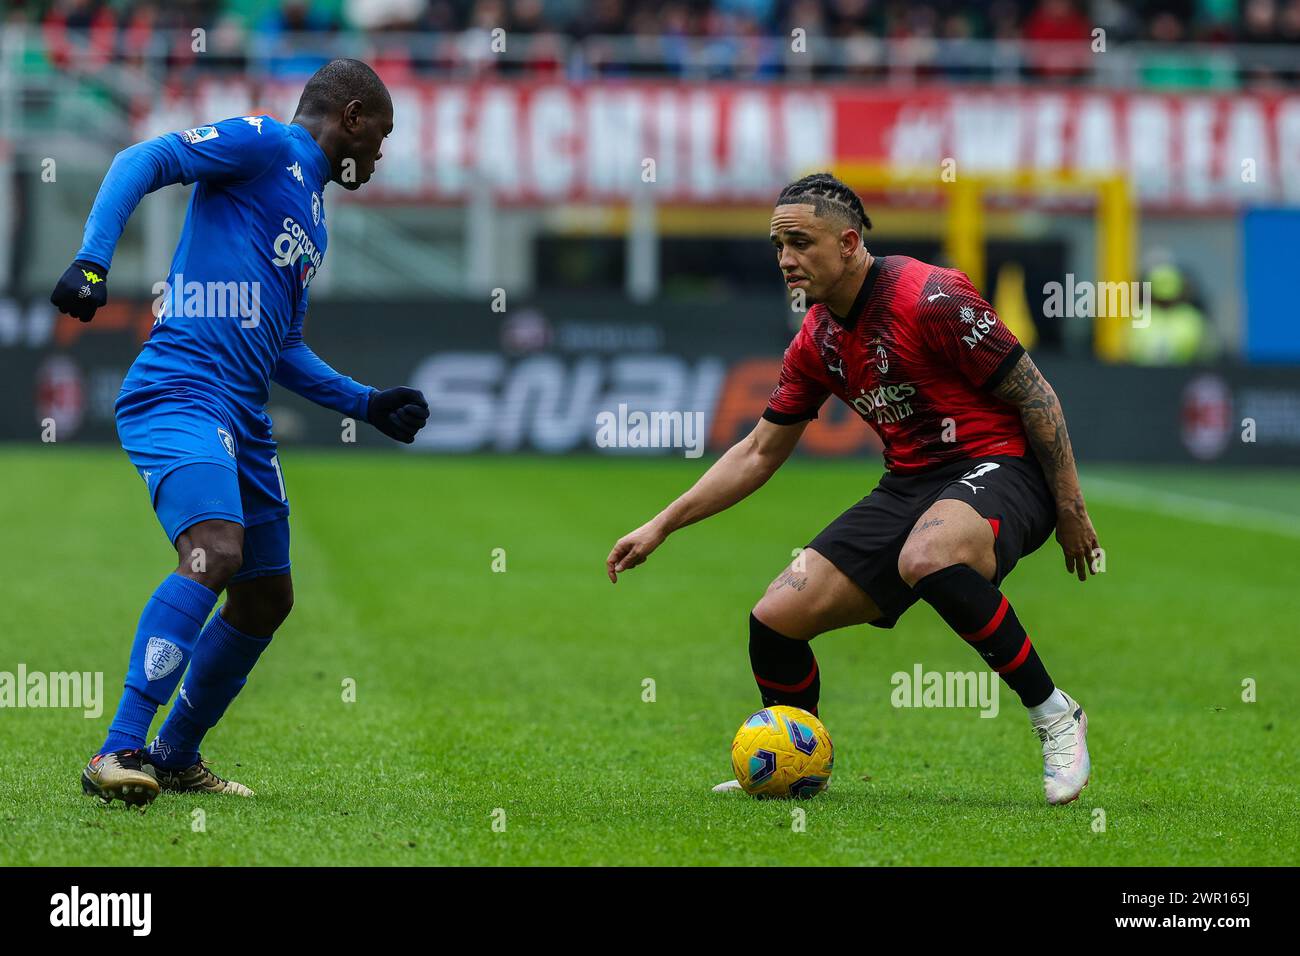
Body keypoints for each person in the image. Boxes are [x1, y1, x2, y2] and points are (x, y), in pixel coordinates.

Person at [606, 172, 1099, 805]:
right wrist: (661, 524)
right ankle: (794, 766)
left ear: (848, 243)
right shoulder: (815, 338)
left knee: (928, 556)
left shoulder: (932, 297)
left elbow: (1036, 395)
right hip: (910, 486)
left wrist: (1070, 507)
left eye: (801, 243)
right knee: (775, 619)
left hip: (1004, 467)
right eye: (778, 245)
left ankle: (1056, 715)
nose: (787, 259)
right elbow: (759, 451)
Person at [50, 58, 430, 807]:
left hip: (243, 413)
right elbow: (144, 158)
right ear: (350, 116)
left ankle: (175, 755)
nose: (378, 157)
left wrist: (367, 402)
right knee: (214, 550)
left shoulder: (313, 217)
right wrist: (93, 260)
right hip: (182, 387)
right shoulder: (264, 141)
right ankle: (117, 749)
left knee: (266, 599)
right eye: (378, 137)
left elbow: (283, 345)